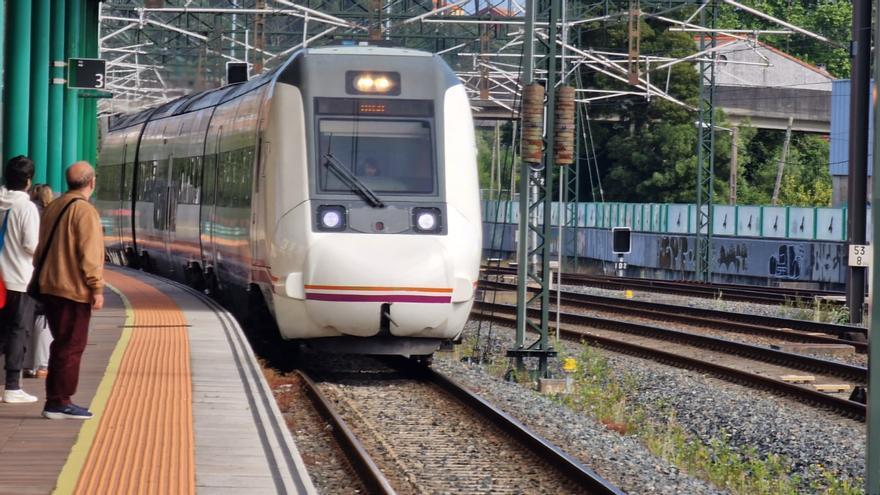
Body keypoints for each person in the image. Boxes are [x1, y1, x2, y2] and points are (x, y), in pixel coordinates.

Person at [35, 162, 104, 420]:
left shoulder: (54, 206)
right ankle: (60, 401)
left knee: (61, 344)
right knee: (71, 346)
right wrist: (96, 287)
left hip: (50, 286)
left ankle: (56, 398)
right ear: (91, 182)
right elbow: (90, 255)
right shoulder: (85, 212)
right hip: (72, 290)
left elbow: (39, 248)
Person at [0, 156, 41, 404]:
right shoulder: (26, 208)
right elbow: (30, 246)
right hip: (17, 278)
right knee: (17, 330)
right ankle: (12, 386)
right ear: (28, 181)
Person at [23, 184, 55, 379]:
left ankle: (27, 365)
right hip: (41, 272)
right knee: (44, 319)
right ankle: (42, 365)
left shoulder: (23, 211)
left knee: (25, 319)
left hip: (21, 274)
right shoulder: (51, 216)